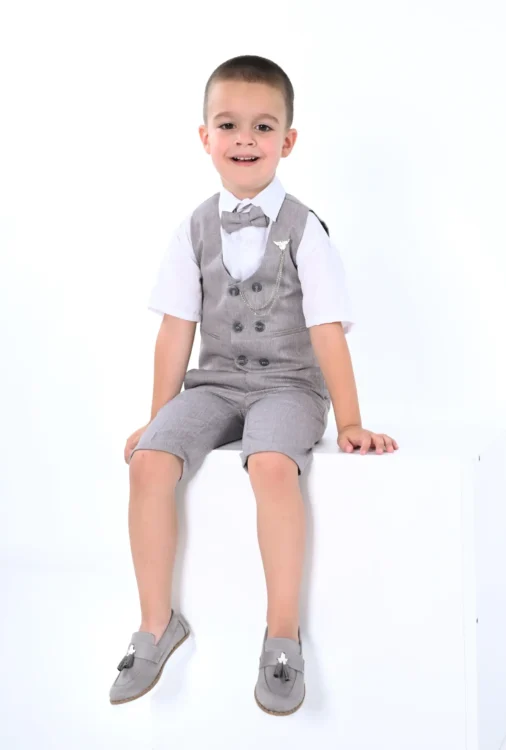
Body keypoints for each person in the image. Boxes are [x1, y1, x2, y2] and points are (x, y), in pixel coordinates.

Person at [109, 54, 398, 715]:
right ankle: (156, 624)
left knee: (270, 464)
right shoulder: (192, 228)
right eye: (229, 125)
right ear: (204, 136)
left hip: (288, 386)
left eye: (263, 127)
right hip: (214, 383)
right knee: (150, 460)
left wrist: (350, 422)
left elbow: (327, 331)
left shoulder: (305, 230)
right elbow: (175, 331)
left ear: (287, 142)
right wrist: (158, 417)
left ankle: (282, 634)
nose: (245, 139)